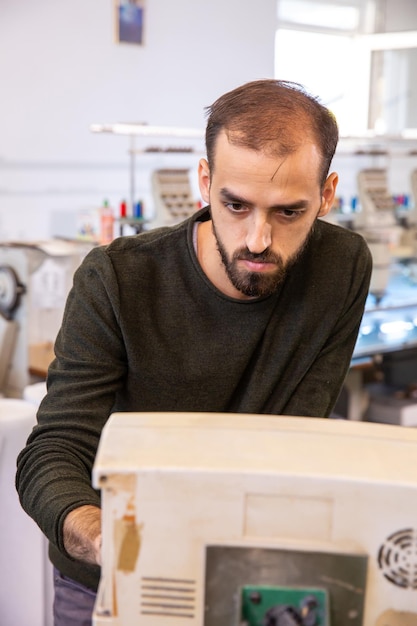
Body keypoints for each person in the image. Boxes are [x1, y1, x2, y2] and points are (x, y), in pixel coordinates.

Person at [16, 79, 372, 626]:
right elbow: (54, 452)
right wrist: (103, 537)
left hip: (253, 568)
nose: (257, 239)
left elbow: (300, 435)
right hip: (111, 575)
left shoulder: (341, 266)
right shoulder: (117, 279)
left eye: (287, 213)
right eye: (236, 205)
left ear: (326, 196)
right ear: (205, 183)